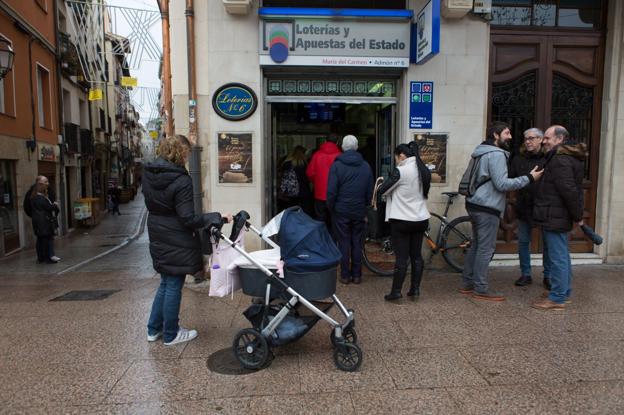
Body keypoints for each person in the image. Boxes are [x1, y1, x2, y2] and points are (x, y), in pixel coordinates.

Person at [143, 134, 232, 346]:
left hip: (157, 230)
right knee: (174, 283)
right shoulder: (181, 180)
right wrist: (218, 217)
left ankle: (153, 329)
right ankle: (172, 333)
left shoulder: (149, 173)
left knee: (165, 282)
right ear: (181, 153)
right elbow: (188, 218)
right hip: (175, 234)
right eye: (187, 152)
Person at [461, 122, 543, 301]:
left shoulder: (480, 151)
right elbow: (502, 184)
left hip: (474, 203)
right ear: (496, 135)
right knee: (486, 248)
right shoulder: (496, 154)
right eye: (507, 133)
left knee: (476, 245)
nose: (511, 137)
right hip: (487, 206)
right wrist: (529, 177)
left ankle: (467, 284)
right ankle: (480, 289)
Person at [531, 125, 586, 311]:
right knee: (561, 255)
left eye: (547, 138)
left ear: (560, 139)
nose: (544, 141)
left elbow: (569, 191)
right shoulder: (560, 157)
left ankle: (557, 297)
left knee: (557, 257)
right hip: (556, 214)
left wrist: (578, 216)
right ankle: (563, 292)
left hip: (555, 215)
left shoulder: (560, 160)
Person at [377, 143, 431, 301]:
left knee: (401, 258)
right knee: (416, 256)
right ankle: (414, 289)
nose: (396, 161)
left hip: (402, 220)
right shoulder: (423, 170)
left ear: (401, 156)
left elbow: (383, 190)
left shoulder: (401, 170)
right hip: (421, 219)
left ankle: (396, 292)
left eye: (396, 157)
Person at [326, 135, 373, 285]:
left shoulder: (337, 165)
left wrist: (331, 207)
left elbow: (331, 191)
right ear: (357, 147)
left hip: (341, 210)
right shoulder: (365, 165)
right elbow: (369, 190)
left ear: (342, 148)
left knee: (344, 242)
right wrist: (365, 206)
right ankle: (357, 276)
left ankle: (345, 275)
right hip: (359, 210)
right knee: (357, 242)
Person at [509, 128, 549, 288]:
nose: (528, 141)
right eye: (526, 138)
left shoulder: (548, 158)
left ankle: (549, 275)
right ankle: (525, 274)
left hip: (545, 207)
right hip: (524, 205)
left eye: (531, 138)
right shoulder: (518, 158)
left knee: (548, 243)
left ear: (541, 139)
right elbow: (510, 177)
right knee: (523, 241)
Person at [306, 135, 341, 230]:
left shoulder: (317, 155)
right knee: (335, 220)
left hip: (320, 194)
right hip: (336, 194)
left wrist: (317, 182)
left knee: (320, 220)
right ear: (337, 142)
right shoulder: (340, 156)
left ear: (325, 141)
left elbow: (310, 173)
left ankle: (321, 241)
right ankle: (334, 242)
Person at [24, 180, 61, 262]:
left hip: (40, 220)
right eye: (45, 183)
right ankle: (47, 257)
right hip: (43, 221)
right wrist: (54, 205)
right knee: (45, 239)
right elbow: (48, 207)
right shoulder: (38, 198)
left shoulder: (38, 196)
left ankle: (43, 257)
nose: (47, 185)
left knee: (42, 239)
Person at [278, 145, 313, 216]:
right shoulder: (304, 164)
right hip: (303, 192)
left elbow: (283, 178)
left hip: (290, 194)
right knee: (305, 213)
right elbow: (307, 179)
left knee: (291, 213)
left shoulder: (286, 163)